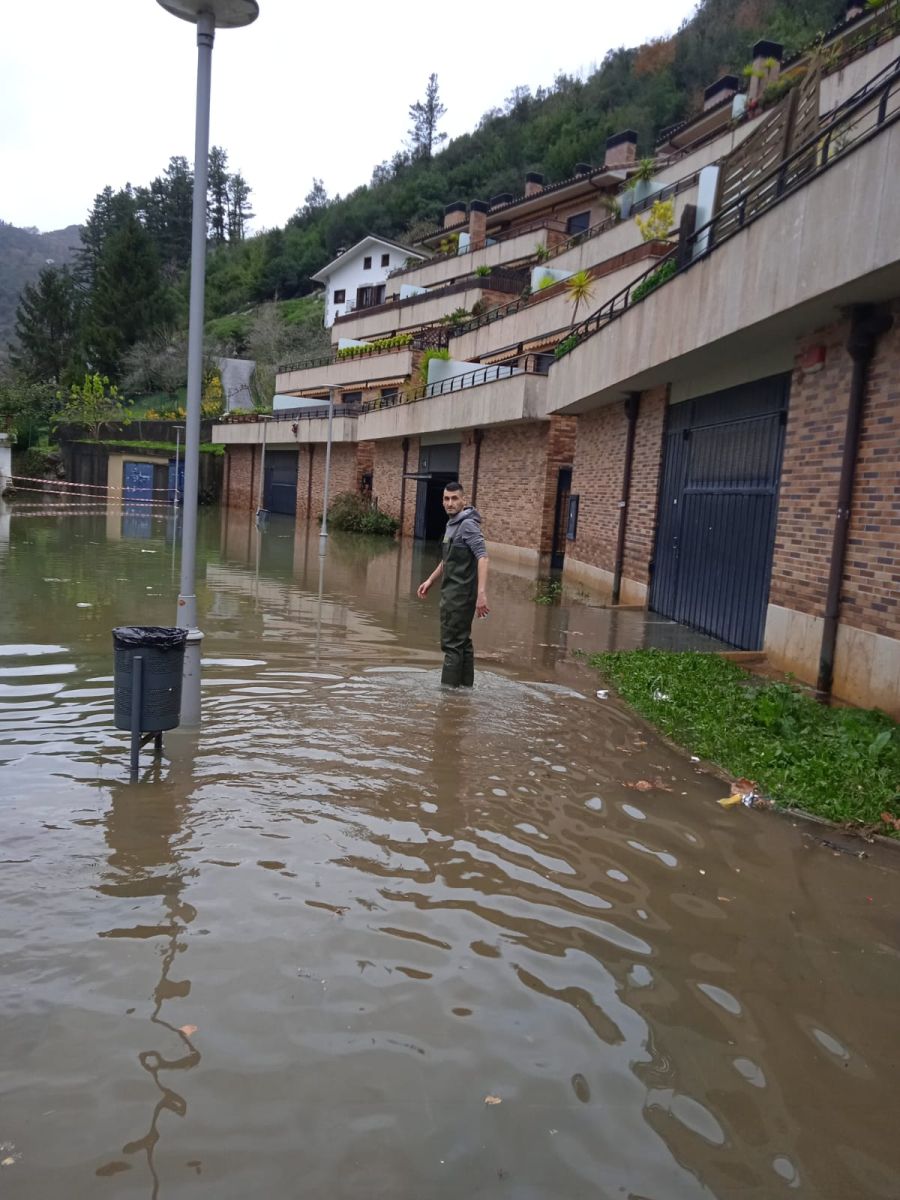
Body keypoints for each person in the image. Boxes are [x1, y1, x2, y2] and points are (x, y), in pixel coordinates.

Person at [416, 482, 489, 688]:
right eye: (447, 499)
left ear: (463, 500)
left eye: (455, 498)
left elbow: (483, 557)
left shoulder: (467, 525)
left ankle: (447, 699)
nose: (450, 503)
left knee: (451, 646)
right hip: (454, 594)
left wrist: (481, 593)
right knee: (462, 643)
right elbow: (448, 559)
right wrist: (430, 580)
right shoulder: (454, 524)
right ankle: (465, 691)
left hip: (459, 596)